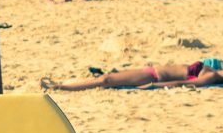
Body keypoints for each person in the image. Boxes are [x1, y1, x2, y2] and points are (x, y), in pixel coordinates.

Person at [42, 59, 223, 91]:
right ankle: (61, 85)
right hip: (151, 70)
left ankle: (61, 86)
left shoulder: (212, 77)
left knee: (106, 80)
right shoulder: (216, 69)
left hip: (153, 78)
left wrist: (152, 86)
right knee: (107, 78)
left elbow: (181, 84)